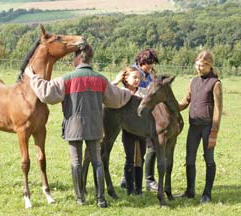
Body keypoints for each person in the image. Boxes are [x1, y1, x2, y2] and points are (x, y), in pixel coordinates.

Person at [25, 44, 131, 208]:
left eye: (73, 57)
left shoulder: (66, 79)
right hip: (95, 126)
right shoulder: (100, 79)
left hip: (73, 127)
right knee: (97, 162)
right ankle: (101, 199)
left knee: (76, 162)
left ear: (79, 57)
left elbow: (47, 93)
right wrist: (131, 91)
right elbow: (116, 99)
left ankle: (80, 199)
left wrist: (33, 77)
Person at [177, 50, 223, 204]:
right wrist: (171, 106)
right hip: (194, 127)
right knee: (189, 159)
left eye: (202, 65)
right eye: (197, 64)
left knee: (208, 159)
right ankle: (190, 191)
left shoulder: (215, 83)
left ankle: (207, 194)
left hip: (208, 127)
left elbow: (218, 109)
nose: (198, 68)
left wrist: (214, 133)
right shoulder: (193, 81)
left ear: (209, 66)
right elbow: (185, 101)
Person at [119, 48, 159, 192]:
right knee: (133, 154)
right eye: (148, 63)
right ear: (141, 61)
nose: (150, 65)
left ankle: (139, 183)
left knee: (140, 154)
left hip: (144, 122)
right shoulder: (134, 74)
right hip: (131, 124)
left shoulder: (149, 74)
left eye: (152, 63)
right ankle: (135, 181)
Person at [112, 66, 147, 196]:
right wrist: (116, 81)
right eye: (135, 77)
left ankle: (139, 189)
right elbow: (107, 90)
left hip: (142, 131)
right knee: (130, 158)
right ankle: (129, 189)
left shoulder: (144, 92)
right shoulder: (121, 91)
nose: (137, 80)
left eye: (139, 77)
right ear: (126, 78)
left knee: (140, 159)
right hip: (128, 131)